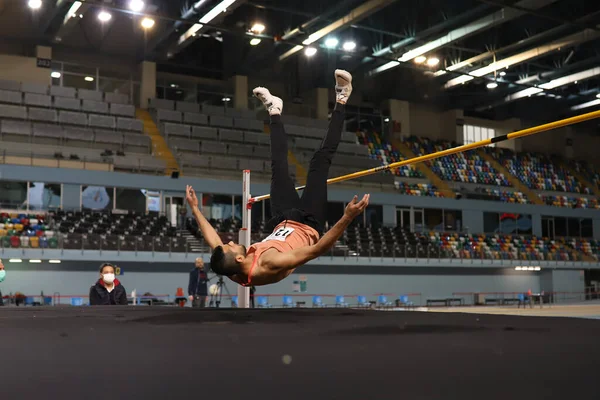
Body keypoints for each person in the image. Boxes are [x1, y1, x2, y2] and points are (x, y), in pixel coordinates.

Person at [186, 70, 369, 287]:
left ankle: (274, 110)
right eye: (231, 246)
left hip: (283, 218)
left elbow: (214, 242)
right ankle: (342, 97)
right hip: (308, 223)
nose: (232, 241)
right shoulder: (270, 263)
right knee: (319, 162)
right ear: (239, 258)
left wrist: (195, 209)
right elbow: (317, 250)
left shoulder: (231, 267)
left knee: (278, 167)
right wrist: (347, 217)